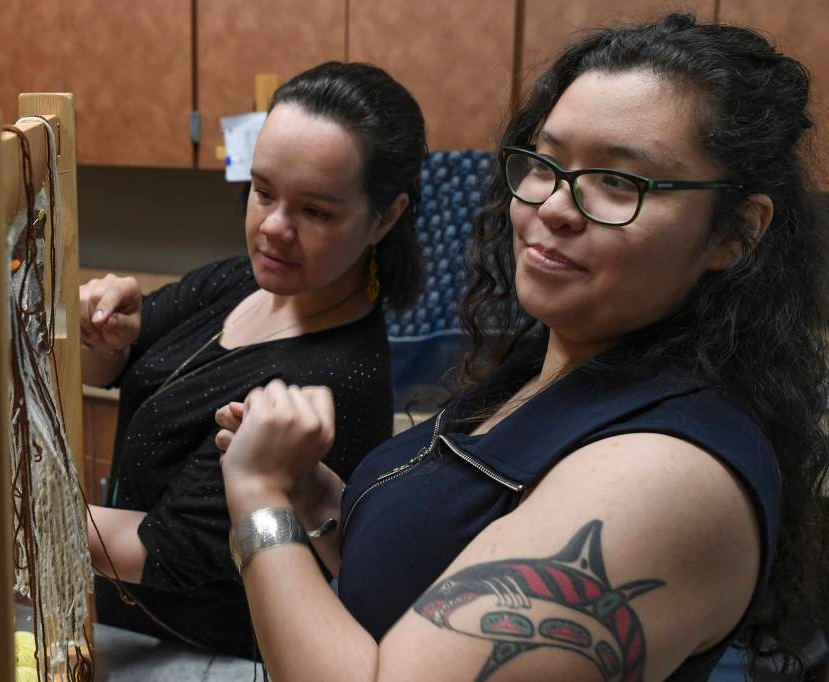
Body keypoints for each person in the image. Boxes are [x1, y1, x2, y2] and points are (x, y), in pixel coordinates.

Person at [215, 14, 829, 681]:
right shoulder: (552, 370)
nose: (556, 206)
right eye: (546, 162)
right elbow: (424, 581)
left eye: (620, 182)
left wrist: (259, 497)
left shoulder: (666, 475)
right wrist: (314, 499)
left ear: (734, 233)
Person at [78, 61, 428, 657]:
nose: (273, 228)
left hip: (190, 651)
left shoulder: (329, 381)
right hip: (122, 609)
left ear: (386, 216)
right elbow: (115, 363)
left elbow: (163, 548)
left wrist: (5, 506)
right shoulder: (248, 282)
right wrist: (101, 331)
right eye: (263, 192)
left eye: (315, 212)